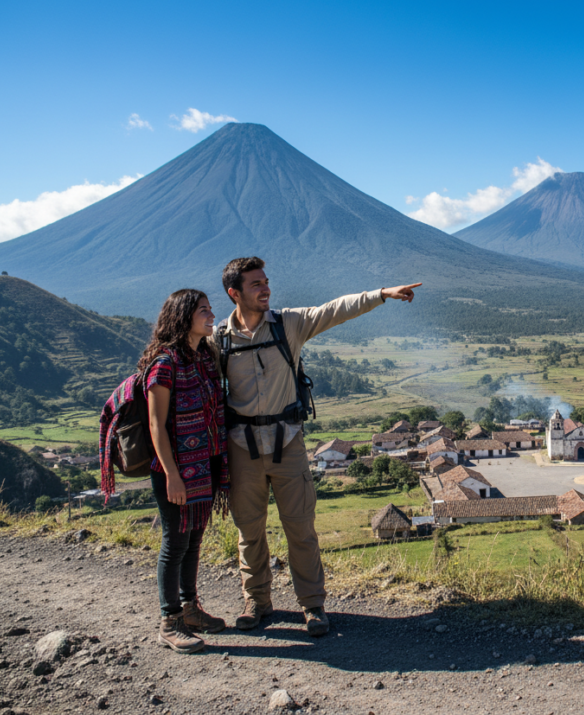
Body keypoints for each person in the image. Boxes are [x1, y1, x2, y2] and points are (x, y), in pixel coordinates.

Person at [214, 257, 420, 636]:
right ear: (234, 293)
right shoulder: (219, 340)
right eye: (256, 284)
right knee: (249, 530)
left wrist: (381, 294)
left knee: (301, 529)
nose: (266, 288)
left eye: (266, 281)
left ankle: (312, 605)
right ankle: (256, 602)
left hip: (288, 443)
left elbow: (334, 310)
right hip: (242, 448)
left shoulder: (288, 323)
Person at [139, 289, 231, 653]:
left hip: (204, 465)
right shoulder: (164, 364)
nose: (211, 316)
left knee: (194, 538)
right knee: (175, 541)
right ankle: (169, 621)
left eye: (210, 309)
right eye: (203, 311)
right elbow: (156, 425)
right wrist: (172, 474)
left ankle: (190, 609)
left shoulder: (204, 357)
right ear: (183, 317)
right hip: (176, 469)